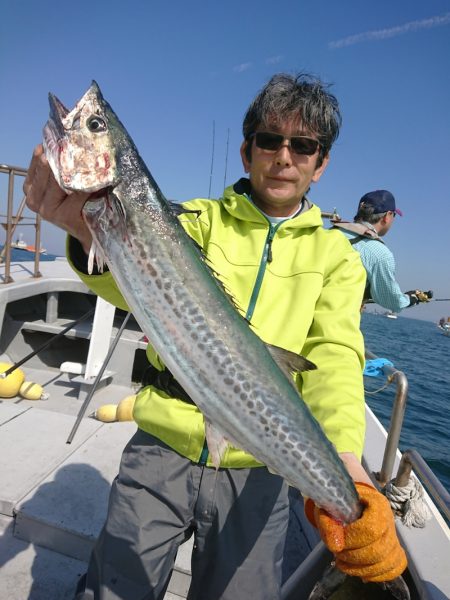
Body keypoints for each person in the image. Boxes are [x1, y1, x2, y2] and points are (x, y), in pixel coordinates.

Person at [24, 73, 407, 600]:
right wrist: (85, 232)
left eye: (304, 146)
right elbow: (127, 286)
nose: (284, 156)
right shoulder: (193, 220)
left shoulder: (337, 258)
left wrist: (346, 466)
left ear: (321, 165)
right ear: (248, 151)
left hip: (259, 468)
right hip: (163, 443)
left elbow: (336, 358)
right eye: (270, 140)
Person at [333, 190, 432, 312]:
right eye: (394, 215)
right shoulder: (380, 254)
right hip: (334, 325)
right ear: (387, 216)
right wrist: (411, 298)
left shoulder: (332, 232)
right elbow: (393, 301)